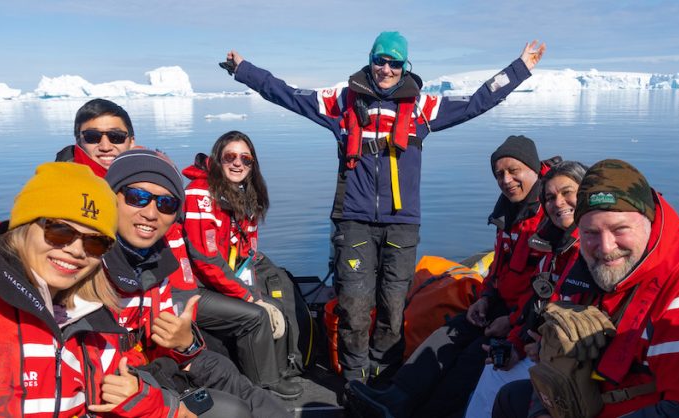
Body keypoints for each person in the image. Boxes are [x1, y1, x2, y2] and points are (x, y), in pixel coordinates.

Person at [222, 31, 546, 382]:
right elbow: (285, 93)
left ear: (405, 67)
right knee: (355, 305)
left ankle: (385, 374)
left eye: (395, 63)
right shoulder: (341, 101)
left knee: (393, 306)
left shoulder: (422, 108)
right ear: (371, 60)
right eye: (381, 61)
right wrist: (244, 71)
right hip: (354, 221)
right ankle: (354, 378)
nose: (386, 69)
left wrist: (520, 68)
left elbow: (477, 101)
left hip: (402, 225)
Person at [504, 159, 679, 418]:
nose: (605, 247)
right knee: (510, 399)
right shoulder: (591, 269)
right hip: (590, 398)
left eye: (620, 229)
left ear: (648, 220)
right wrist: (542, 410)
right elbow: (555, 352)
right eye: (590, 232)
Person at [0, 162, 179, 417]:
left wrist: (143, 395)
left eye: (95, 242)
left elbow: (124, 371)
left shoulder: (91, 318)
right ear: (24, 226)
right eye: (60, 232)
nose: (76, 250)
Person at [347, 135, 553, 417]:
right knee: (445, 335)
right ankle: (395, 399)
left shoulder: (548, 215)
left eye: (513, 171)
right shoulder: (509, 211)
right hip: (499, 307)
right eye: (499, 174)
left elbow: (547, 285)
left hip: (524, 317)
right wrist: (485, 299)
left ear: (532, 168)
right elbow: (497, 269)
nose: (506, 180)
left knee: (472, 357)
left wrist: (513, 320)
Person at [102, 149, 290, 416]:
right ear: (111, 197)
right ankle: (269, 380)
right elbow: (207, 260)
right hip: (132, 385)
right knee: (233, 405)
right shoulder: (90, 268)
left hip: (159, 362)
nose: (151, 212)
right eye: (137, 197)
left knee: (246, 388)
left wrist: (186, 343)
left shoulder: (154, 266)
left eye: (166, 204)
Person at [181, 131, 303, 398]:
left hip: (219, 282)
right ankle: (264, 385)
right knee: (256, 316)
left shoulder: (243, 195)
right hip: (191, 288)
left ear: (252, 165)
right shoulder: (199, 195)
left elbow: (245, 255)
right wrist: (250, 299)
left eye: (245, 159)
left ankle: (281, 370)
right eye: (230, 157)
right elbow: (205, 260)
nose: (238, 164)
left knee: (275, 305)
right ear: (218, 158)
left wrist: (257, 295)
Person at [465, 160, 587, 418]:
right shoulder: (553, 249)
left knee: (495, 380)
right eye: (551, 198)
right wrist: (515, 346)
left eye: (568, 193)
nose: (558, 203)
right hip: (538, 341)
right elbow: (536, 302)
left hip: (575, 362)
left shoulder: (592, 252)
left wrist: (544, 347)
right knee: (491, 368)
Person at [56, 98, 136, 176]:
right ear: (78, 140)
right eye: (92, 136)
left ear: (131, 142)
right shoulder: (57, 183)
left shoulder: (145, 178)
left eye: (116, 136)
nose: (105, 147)